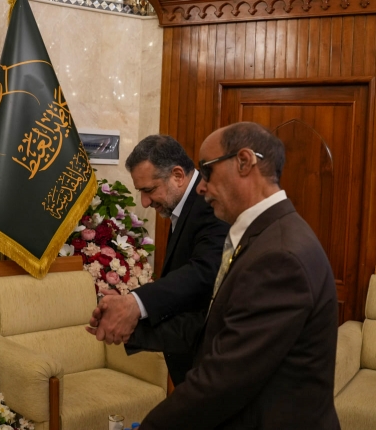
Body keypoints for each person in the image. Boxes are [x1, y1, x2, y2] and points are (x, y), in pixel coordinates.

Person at [123, 122, 341, 429]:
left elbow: (225, 379)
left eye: (207, 171)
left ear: (244, 162)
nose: (200, 187)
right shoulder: (264, 235)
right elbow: (211, 325)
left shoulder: (280, 257)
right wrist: (135, 329)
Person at [87, 134, 229, 386]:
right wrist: (129, 306)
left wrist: (135, 303)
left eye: (149, 190)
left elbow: (203, 273)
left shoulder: (209, 205)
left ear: (177, 175)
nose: (144, 201)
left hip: (211, 368)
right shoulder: (183, 207)